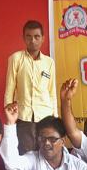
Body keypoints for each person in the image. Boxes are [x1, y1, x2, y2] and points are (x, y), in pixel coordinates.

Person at [4, 20, 57, 154]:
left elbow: (52, 92)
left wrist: (55, 118)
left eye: (36, 37)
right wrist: (9, 114)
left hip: (46, 117)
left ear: (43, 39)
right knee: (26, 154)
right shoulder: (15, 58)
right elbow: (9, 88)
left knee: (46, 155)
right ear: (24, 38)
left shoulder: (49, 62)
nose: (32, 40)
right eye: (29, 36)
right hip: (24, 117)